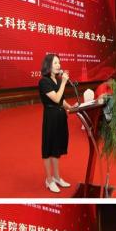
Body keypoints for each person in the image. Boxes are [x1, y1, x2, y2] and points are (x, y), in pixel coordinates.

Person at [39, 54, 78, 193]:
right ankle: (49, 180)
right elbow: (55, 99)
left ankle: (56, 177)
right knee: (49, 149)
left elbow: (62, 100)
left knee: (56, 149)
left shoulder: (57, 80)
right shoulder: (44, 81)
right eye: (55, 63)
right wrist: (63, 83)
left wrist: (71, 107)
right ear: (48, 65)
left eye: (59, 63)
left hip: (60, 116)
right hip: (51, 117)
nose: (58, 65)